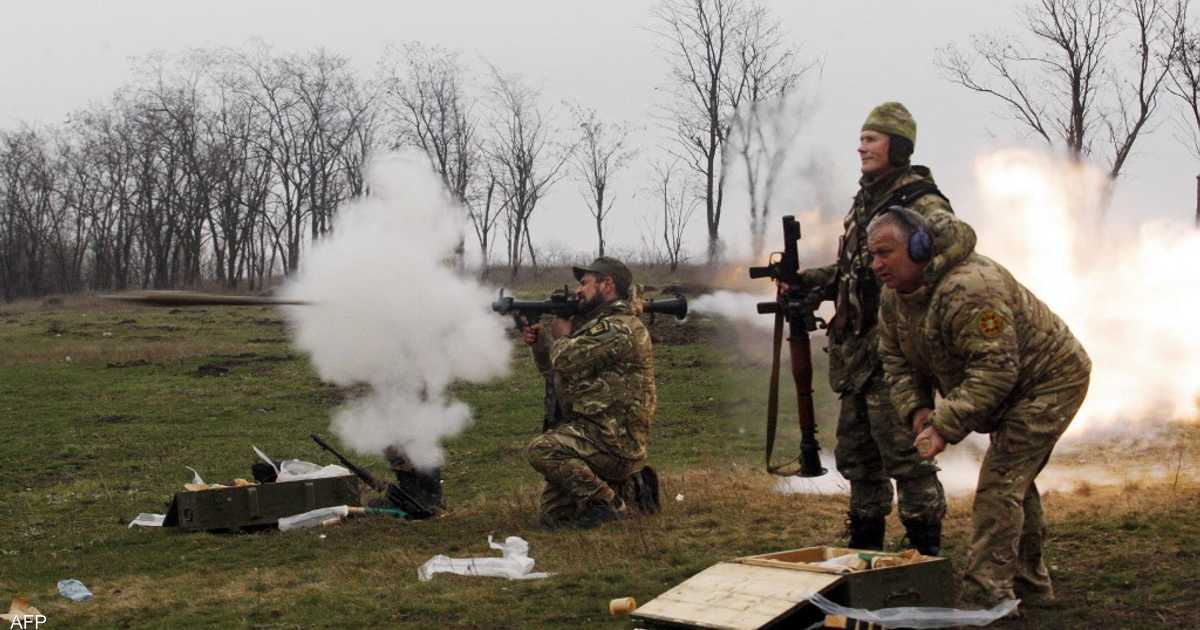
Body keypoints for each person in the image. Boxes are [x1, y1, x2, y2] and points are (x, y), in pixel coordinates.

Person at [869, 208, 1091, 607]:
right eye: (873, 255)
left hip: (1048, 381)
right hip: (1007, 386)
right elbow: (895, 357)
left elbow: (994, 370)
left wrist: (942, 426)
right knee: (1012, 481)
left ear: (919, 247)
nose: (877, 264)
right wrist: (917, 409)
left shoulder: (970, 288)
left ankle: (987, 597)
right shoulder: (894, 298)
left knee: (999, 484)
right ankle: (1031, 587)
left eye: (885, 252)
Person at [794, 101, 977, 554]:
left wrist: (917, 284)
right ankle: (865, 553)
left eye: (871, 139)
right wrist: (813, 283)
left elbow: (959, 239)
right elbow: (855, 268)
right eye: (861, 139)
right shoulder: (867, 201)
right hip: (856, 355)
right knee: (858, 458)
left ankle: (924, 553)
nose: (862, 148)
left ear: (897, 146)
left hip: (896, 352)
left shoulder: (919, 199)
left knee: (907, 456)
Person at [522, 256, 659, 529]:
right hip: (595, 432)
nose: (578, 290)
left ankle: (612, 504)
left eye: (585, 283)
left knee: (542, 449)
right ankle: (633, 488)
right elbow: (558, 373)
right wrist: (541, 344)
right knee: (555, 517)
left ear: (607, 284)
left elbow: (565, 359)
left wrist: (561, 335)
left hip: (613, 441)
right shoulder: (595, 326)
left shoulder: (618, 327)